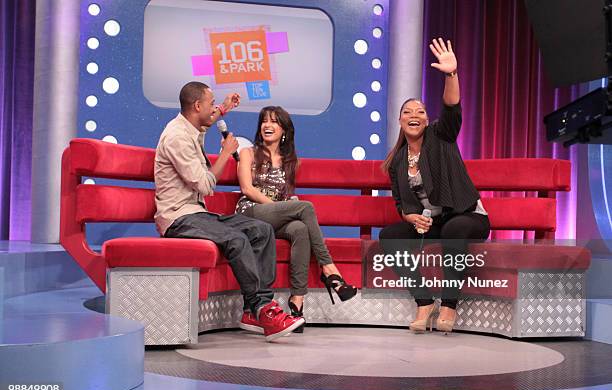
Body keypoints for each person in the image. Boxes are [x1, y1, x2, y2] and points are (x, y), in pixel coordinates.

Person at [154, 82, 304, 342]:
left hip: (195, 213)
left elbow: (204, 124)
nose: (214, 108)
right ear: (197, 106)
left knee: (261, 230)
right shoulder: (177, 137)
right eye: (211, 104)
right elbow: (205, 185)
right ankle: (262, 309)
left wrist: (224, 108)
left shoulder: (190, 128)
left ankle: (253, 311)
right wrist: (225, 154)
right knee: (236, 239)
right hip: (178, 218)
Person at [379, 38, 490, 334]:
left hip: (468, 216)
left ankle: (450, 305)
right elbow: (401, 204)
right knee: (389, 235)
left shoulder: (441, 136)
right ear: (400, 120)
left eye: (420, 112)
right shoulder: (397, 162)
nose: (414, 115)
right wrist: (408, 216)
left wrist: (451, 74)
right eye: (408, 112)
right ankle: (424, 302)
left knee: (455, 230)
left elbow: (452, 108)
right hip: (434, 221)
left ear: (428, 121)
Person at [235, 106, 357, 332]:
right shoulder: (248, 153)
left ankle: (297, 302)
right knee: (305, 207)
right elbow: (247, 188)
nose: (267, 125)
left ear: (284, 131)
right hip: (250, 213)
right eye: (264, 121)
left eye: (274, 122)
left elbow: (285, 195)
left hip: (274, 218)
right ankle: (330, 270)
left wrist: (285, 206)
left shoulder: (290, 161)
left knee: (300, 228)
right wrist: (281, 207)